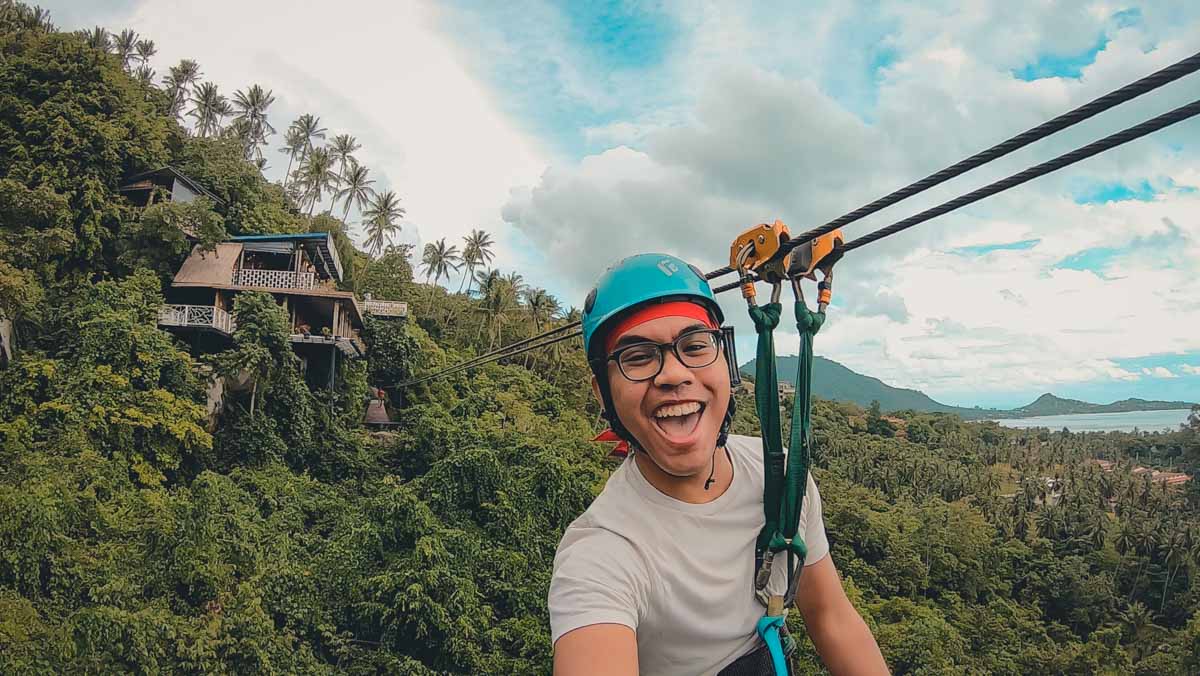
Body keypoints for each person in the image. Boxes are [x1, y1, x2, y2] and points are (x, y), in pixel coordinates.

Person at [549, 254, 888, 676]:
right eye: (637, 357)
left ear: (725, 363)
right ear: (603, 393)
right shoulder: (603, 554)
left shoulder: (782, 480)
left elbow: (832, 619)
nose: (673, 374)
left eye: (694, 346)